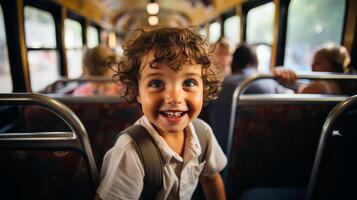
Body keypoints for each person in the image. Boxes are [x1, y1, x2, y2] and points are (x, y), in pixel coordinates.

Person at [95, 27, 227, 200]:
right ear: (138, 92)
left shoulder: (203, 134)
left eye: (189, 82)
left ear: (204, 88)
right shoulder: (130, 151)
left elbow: (211, 179)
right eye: (157, 83)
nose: (174, 97)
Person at [207, 43, 293, 152]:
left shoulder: (218, 86)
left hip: (220, 150)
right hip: (264, 152)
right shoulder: (270, 83)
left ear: (233, 62)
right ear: (256, 62)